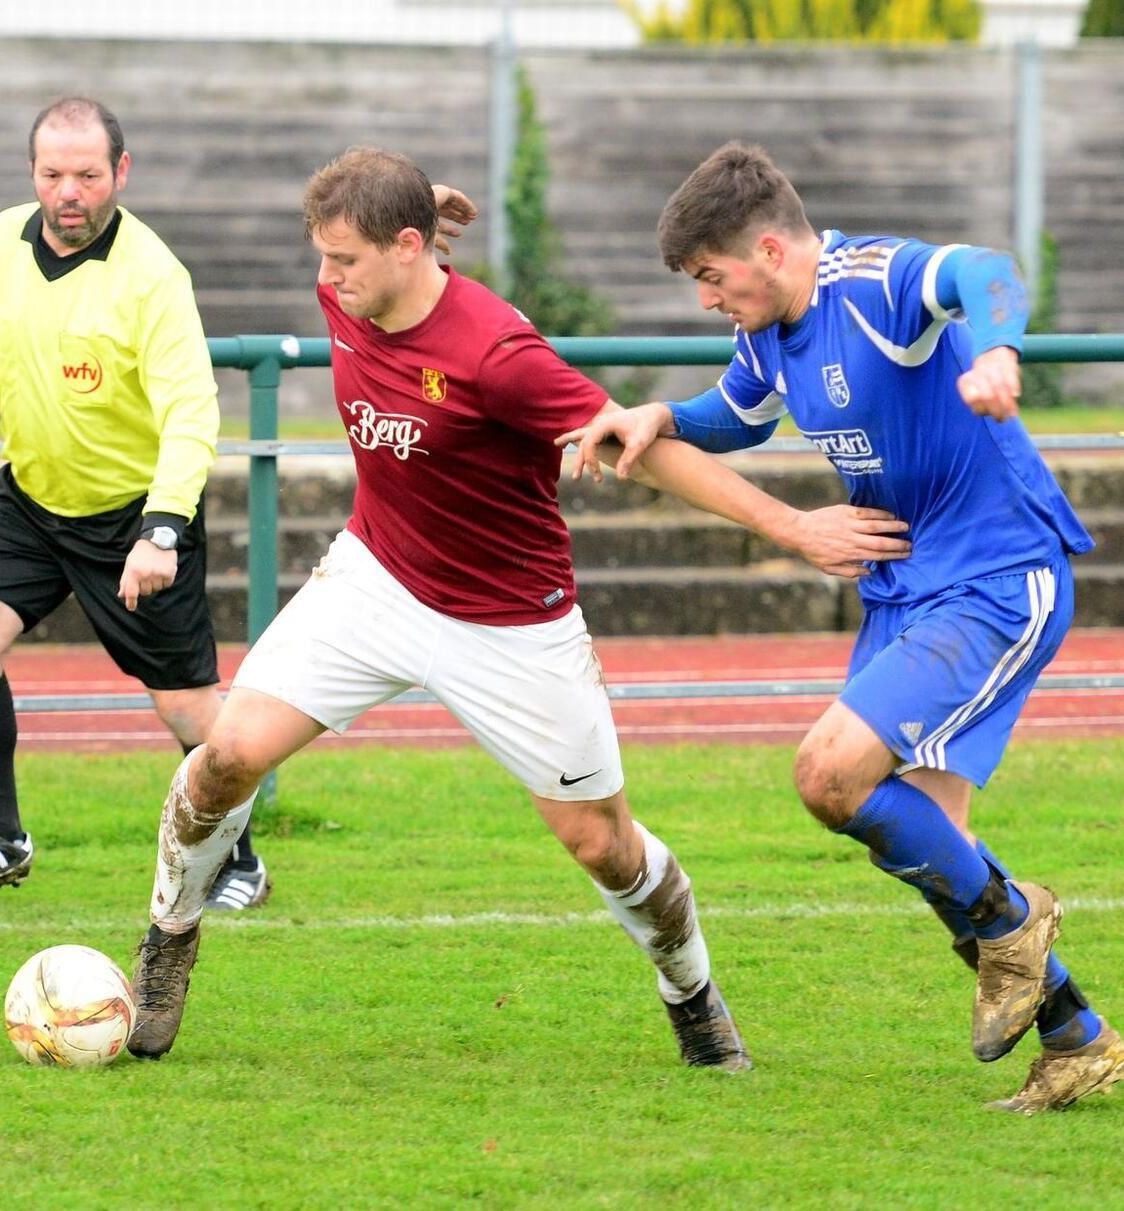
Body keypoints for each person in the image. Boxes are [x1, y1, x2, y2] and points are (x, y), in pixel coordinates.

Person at [122, 145, 906, 1066]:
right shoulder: (354, 291)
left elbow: (638, 447)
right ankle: (169, 937)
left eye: (344, 259)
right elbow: (374, 245)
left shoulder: (500, 357)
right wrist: (402, 220)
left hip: (510, 622)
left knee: (603, 846)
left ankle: (690, 992)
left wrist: (792, 526)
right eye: (324, 257)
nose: (324, 280)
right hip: (374, 579)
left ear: (409, 246)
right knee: (228, 755)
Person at [561, 142, 1124, 1114]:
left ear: (771, 249)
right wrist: (656, 414)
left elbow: (984, 272)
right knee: (933, 846)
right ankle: (1075, 1036)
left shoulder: (870, 280)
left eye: (711, 276)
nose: (705, 298)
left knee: (828, 774)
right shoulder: (768, 334)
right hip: (908, 588)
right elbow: (737, 415)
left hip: (994, 573)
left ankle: (1017, 920)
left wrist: (996, 348)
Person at [0, 96, 271, 906]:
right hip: (30, 502)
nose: (70, 193)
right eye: (53, 174)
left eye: (88, 175)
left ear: (120, 173)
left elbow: (191, 411)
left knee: (188, 708)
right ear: (33, 174)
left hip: (135, 518)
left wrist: (162, 529)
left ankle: (242, 860)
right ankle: (2, 837)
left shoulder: (153, 274)